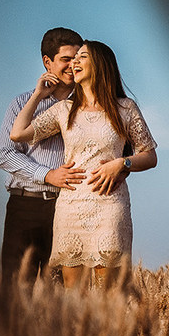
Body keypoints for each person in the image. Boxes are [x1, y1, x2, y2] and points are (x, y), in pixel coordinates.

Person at [9, 40, 158, 290]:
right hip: (71, 206)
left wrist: (122, 163)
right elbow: (18, 133)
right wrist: (38, 94)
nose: (75, 62)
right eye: (73, 57)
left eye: (82, 57)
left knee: (106, 293)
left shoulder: (125, 108)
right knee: (73, 294)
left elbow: (150, 156)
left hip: (109, 204)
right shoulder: (64, 110)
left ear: (100, 64)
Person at [0, 27, 86, 289]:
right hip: (25, 206)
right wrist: (47, 174)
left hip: (68, 208)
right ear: (47, 62)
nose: (73, 65)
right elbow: (5, 154)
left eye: (78, 58)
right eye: (66, 59)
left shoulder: (90, 107)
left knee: (58, 293)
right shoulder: (21, 103)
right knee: (14, 290)